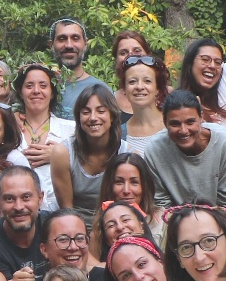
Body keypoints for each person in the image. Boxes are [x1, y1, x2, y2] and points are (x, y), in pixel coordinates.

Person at [142, 90, 226, 208]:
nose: (183, 130)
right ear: (165, 122)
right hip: (184, 213)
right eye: (175, 124)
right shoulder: (155, 150)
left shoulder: (225, 143)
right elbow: (160, 201)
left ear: (201, 118)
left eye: (190, 122)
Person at [9, 64, 76, 208]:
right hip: (18, 210)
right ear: (20, 92)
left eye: (43, 86)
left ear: (52, 92)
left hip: (61, 212)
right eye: (29, 86)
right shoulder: (9, 130)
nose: (36, 91)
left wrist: (59, 156)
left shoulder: (72, 130)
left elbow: (88, 168)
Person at [68, 86, 126, 217]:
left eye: (101, 111)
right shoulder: (63, 153)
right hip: (73, 223)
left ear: (112, 115)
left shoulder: (127, 154)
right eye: (86, 112)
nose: (93, 118)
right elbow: (66, 209)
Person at [43, 18, 106, 120]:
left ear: (85, 43)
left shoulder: (100, 89)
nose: (69, 45)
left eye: (75, 38)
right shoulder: (40, 89)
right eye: (62, 39)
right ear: (51, 45)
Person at [101, 152, 165, 241]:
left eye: (134, 182)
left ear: (145, 186)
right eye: (119, 182)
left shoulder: (164, 221)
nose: (126, 190)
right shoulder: (98, 230)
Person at [117, 54, 169, 153]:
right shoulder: (119, 135)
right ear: (124, 89)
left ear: (158, 88)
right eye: (132, 81)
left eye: (147, 81)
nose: (139, 87)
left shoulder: (174, 124)